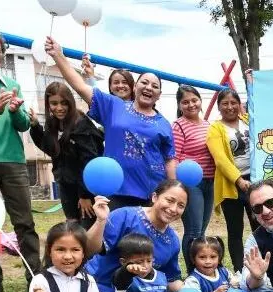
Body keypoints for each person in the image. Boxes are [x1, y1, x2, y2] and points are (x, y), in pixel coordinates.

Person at [45, 37, 176, 209]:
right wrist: (59, 56)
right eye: (144, 82)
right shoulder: (114, 106)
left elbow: (169, 159)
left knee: (146, 237)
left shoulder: (164, 124)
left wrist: (172, 190)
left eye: (155, 86)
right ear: (135, 87)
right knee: (116, 235)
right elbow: (80, 86)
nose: (149, 87)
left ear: (159, 95)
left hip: (151, 194)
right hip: (116, 191)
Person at [85, 180, 188, 292]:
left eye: (181, 205)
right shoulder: (125, 216)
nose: (173, 209)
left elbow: (170, 279)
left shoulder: (172, 240)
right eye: (169, 200)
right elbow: (89, 250)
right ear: (155, 197)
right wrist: (100, 221)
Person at [0, 30, 41, 292]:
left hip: (13, 160)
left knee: (25, 223)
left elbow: (24, 124)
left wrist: (15, 112)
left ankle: (35, 278)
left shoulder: (11, 83)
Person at [28, 82, 103, 229]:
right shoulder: (54, 124)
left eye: (64, 103)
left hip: (85, 187)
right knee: (72, 226)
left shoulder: (81, 124)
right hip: (65, 184)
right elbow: (51, 149)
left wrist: (85, 195)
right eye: (54, 103)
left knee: (87, 229)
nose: (59, 108)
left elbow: (89, 162)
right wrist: (36, 126)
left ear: (70, 102)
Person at [207, 88, 258, 271]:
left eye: (233, 103)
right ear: (219, 107)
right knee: (235, 232)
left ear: (239, 104)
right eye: (225, 103)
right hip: (231, 185)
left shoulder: (247, 121)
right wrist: (238, 180)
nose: (230, 107)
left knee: (260, 228)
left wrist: (251, 81)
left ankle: (265, 268)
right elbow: (220, 159)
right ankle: (239, 270)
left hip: (256, 182)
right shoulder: (215, 128)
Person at [174, 85, 214, 273]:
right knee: (194, 231)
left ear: (200, 101)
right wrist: (176, 187)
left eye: (194, 100)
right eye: (185, 102)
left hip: (210, 182)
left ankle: (201, 270)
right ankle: (192, 273)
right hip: (191, 184)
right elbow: (174, 157)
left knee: (202, 231)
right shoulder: (178, 125)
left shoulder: (208, 124)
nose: (191, 104)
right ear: (180, 105)